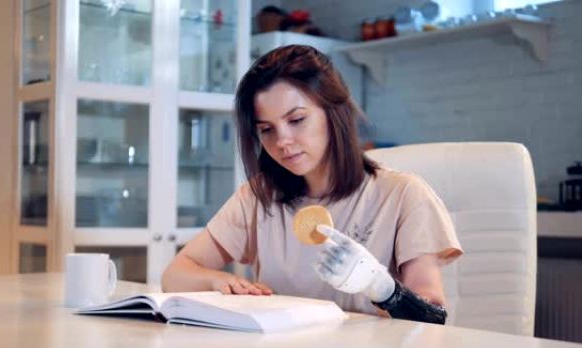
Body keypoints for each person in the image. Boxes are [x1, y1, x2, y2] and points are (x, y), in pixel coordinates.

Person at [162, 45, 462, 324]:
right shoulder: (258, 197)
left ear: (334, 113)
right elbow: (175, 275)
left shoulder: (403, 194)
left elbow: (434, 319)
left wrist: (381, 287)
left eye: (297, 120)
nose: (282, 142)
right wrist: (218, 281)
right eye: (266, 129)